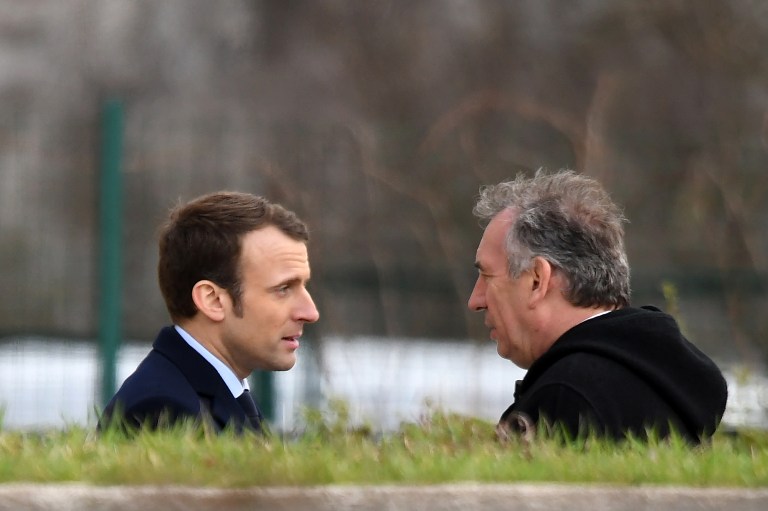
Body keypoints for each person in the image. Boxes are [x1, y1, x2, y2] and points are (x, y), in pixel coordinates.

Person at [467, 170, 728, 443]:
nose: (475, 301)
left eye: (486, 276)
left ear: (537, 280)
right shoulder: (668, 378)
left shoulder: (565, 400)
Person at [99, 191, 319, 434]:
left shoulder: (221, 394)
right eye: (283, 289)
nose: (309, 312)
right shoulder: (166, 410)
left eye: (303, 286)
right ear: (212, 300)